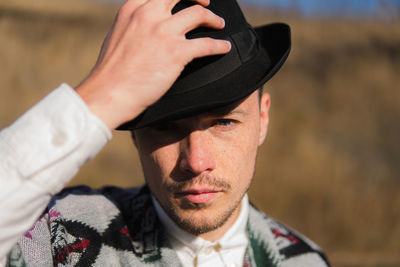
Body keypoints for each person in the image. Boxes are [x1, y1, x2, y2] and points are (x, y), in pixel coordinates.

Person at [0, 0, 330, 266]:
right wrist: (100, 95)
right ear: (134, 133)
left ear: (263, 118)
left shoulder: (304, 260)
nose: (197, 161)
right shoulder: (57, 236)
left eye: (224, 122)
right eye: (165, 127)